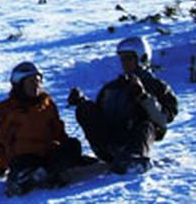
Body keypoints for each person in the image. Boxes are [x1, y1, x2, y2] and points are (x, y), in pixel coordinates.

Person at [68, 36, 177, 174]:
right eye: (122, 59)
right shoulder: (112, 88)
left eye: (129, 58)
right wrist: (82, 102)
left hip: (135, 140)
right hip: (110, 141)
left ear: (141, 58)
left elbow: (162, 120)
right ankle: (112, 154)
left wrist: (143, 97)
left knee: (146, 123)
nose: (125, 63)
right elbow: (99, 114)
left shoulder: (157, 86)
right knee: (85, 109)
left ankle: (134, 159)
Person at [0, 62, 82, 196]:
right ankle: (33, 177)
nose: (35, 86)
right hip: (24, 157)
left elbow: (58, 131)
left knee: (73, 145)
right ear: (19, 85)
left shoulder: (47, 103)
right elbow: (1, 140)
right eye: (30, 82)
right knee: (24, 166)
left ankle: (40, 175)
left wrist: (71, 154)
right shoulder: (6, 109)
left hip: (48, 154)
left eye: (38, 81)